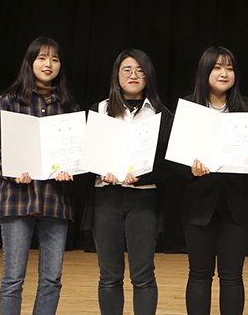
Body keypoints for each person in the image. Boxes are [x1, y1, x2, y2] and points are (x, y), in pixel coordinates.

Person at [0, 36, 78, 315]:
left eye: (55, 59)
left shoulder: (67, 106)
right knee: (13, 279)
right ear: (30, 62)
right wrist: (9, 168)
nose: (49, 64)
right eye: (42, 58)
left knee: (51, 279)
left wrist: (69, 168)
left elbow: (75, 152)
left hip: (54, 199)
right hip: (16, 197)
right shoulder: (8, 102)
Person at [180, 46, 248, 315]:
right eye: (218, 67)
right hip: (198, 205)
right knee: (199, 274)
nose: (224, 73)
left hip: (237, 204)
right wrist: (190, 169)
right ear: (204, 71)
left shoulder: (247, 108)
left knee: (232, 275)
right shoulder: (189, 108)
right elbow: (173, 161)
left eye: (229, 68)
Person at [85, 49, 173, 315]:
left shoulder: (160, 113)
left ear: (148, 76)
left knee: (143, 274)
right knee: (109, 275)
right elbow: (85, 156)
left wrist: (143, 175)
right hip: (106, 198)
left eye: (140, 70)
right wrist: (100, 171)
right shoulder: (99, 110)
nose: (133, 75)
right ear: (117, 75)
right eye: (127, 70)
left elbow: (169, 163)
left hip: (144, 199)